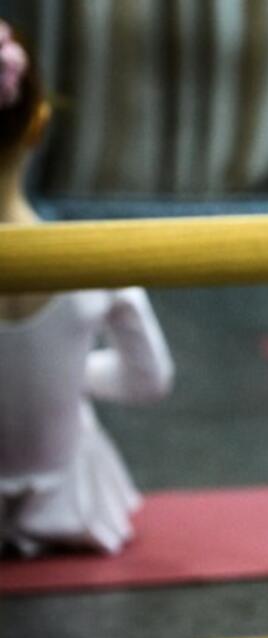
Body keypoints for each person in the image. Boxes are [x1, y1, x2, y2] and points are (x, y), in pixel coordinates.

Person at [0, 20, 174, 556]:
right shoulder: (95, 263)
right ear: (38, 122)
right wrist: (66, 372)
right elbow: (150, 379)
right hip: (73, 504)